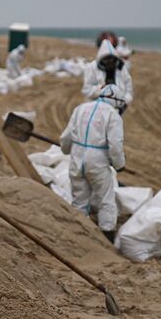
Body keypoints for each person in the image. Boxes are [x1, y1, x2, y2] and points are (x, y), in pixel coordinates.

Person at [60, 83, 127, 240]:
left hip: (77, 158)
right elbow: (115, 145)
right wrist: (119, 164)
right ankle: (107, 236)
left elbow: (66, 137)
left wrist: (66, 150)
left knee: (79, 200)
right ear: (117, 101)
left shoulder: (81, 108)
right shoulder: (112, 115)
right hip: (97, 161)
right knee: (106, 199)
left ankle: (78, 235)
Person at [81, 37, 134, 107]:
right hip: (96, 106)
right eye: (106, 59)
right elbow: (86, 90)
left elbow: (128, 88)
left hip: (117, 107)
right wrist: (101, 88)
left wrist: (124, 102)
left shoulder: (120, 67)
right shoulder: (92, 67)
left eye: (111, 59)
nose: (109, 62)